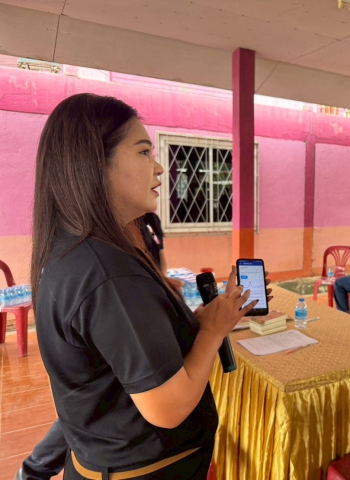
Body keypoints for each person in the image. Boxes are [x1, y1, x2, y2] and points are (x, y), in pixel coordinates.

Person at [30, 93, 258, 479]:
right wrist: (213, 331)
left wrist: (194, 322)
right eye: (143, 152)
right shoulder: (108, 273)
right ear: (94, 163)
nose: (159, 168)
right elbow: (168, 408)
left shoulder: (77, 250)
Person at [15, 214, 177, 480]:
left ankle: (35, 468)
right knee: (90, 409)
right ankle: (33, 469)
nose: (158, 174)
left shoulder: (149, 222)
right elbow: (169, 411)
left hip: (138, 322)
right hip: (120, 327)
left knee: (96, 408)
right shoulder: (97, 253)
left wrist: (162, 285)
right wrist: (211, 331)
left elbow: (157, 263)